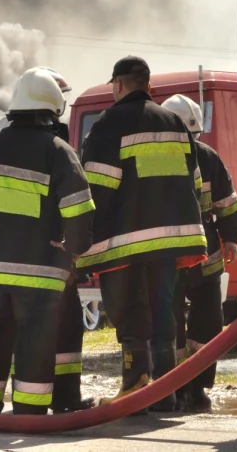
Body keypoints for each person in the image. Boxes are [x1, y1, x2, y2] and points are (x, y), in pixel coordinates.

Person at [0, 69, 95, 415]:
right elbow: (80, 208)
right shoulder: (58, 150)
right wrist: (72, 248)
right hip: (42, 273)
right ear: (53, 106)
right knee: (35, 342)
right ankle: (29, 412)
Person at [75, 56, 208, 413]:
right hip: (169, 243)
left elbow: (97, 189)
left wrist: (83, 241)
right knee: (164, 312)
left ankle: (135, 390)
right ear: (149, 86)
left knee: (130, 315)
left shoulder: (108, 124)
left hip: (125, 243)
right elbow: (194, 182)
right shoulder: (174, 123)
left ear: (117, 85)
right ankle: (165, 394)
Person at [161, 94, 237, 412]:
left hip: (204, 256)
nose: (190, 141)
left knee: (209, 320)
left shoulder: (208, 158)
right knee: (169, 324)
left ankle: (197, 386)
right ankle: (176, 385)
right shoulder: (158, 159)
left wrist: (232, 238)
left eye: (193, 136)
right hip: (170, 258)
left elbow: (226, 202)